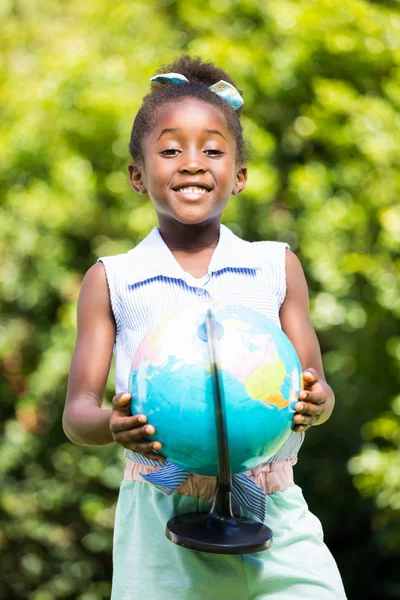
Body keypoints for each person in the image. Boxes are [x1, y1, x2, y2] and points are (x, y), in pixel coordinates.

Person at [63, 55, 346, 599]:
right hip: (159, 520)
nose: (192, 162)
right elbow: (78, 413)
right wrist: (112, 426)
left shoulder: (275, 264)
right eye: (170, 150)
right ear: (137, 175)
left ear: (239, 176)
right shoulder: (112, 279)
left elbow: (316, 385)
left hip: (274, 508)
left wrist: (320, 403)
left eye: (212, 150)